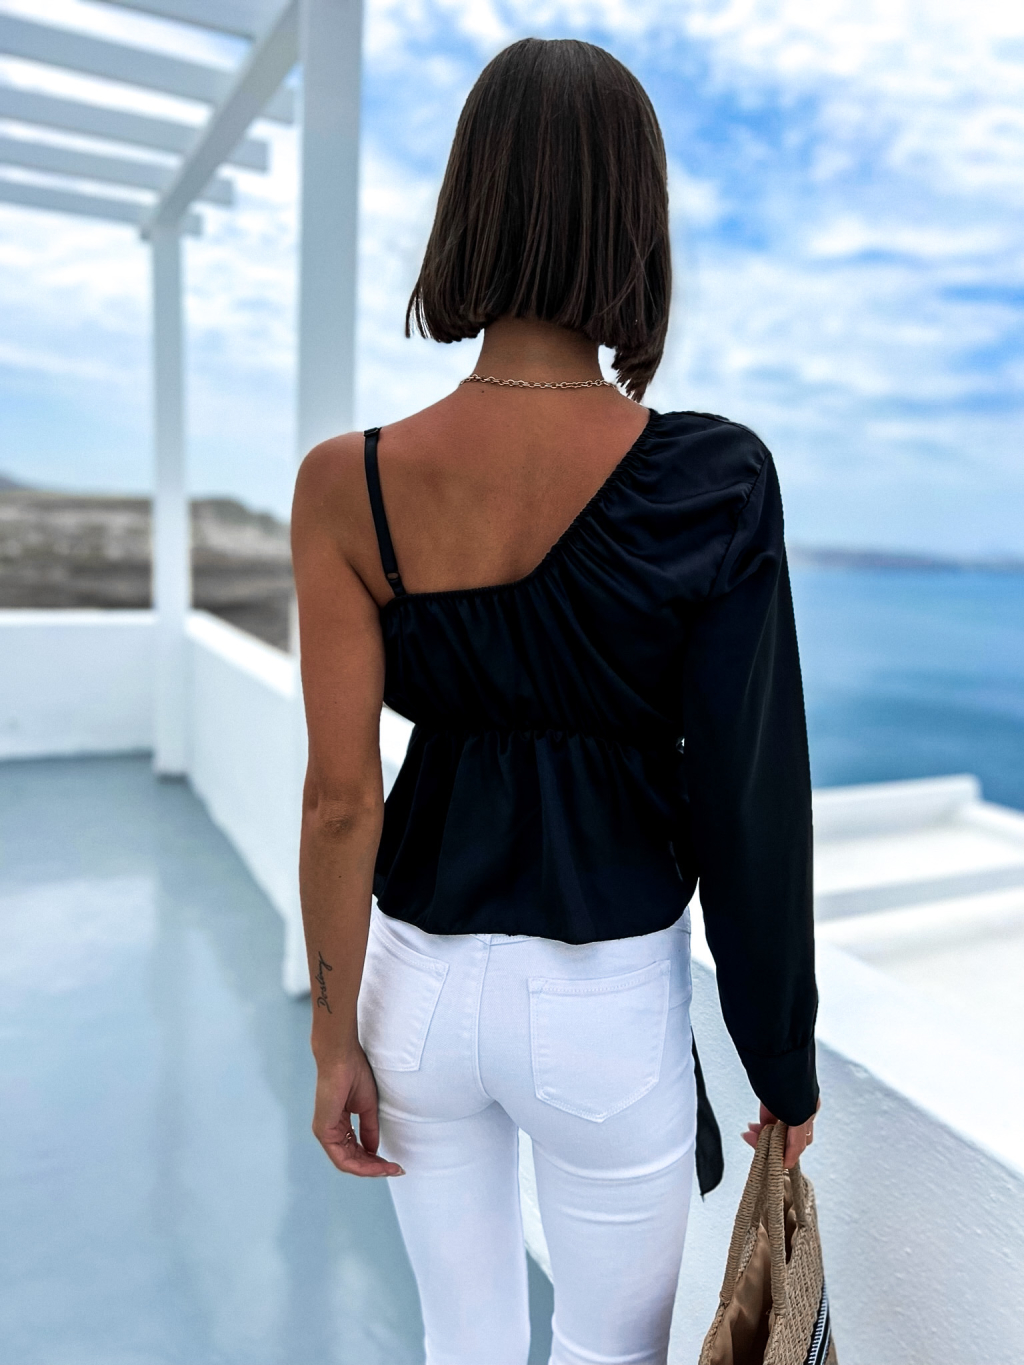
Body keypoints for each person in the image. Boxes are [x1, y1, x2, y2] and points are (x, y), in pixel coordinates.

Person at [291, 35, 819, 1365]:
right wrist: (780, 1062)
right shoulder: (716, 480)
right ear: (634, 224)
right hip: (606, 1003)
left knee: (461, 1340)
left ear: (467, 206)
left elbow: (342, 800)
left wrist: (333, 1036)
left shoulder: (347, 483)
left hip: (414, 989)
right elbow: (748, 800)